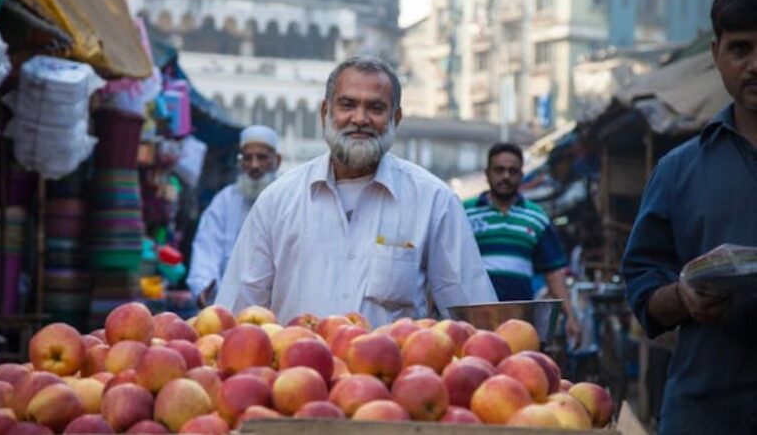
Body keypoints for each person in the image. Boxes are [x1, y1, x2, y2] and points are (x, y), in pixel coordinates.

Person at [215, 55, 497, 326]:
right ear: (326, 112)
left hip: (393, 375)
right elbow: (238, 312)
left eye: (375, 108)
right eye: (347, 104)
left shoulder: (434, 202)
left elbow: (474, 321)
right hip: (296, 373)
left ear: (395, 118)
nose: (360, 118)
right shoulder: (278, 201)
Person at [621, 0, 757, 434]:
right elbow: (642, 290)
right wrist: (683, 296)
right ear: (716, 55)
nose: (755, 64)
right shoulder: (679, 170)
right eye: (741, 48)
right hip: (705, 411)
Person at [464, 143, 581, 345]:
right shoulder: (464, 212)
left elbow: (553, 272)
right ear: (487, 173)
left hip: (520, 322)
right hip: (474, 320)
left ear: (521, 175)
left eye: (513, 171)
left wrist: (570, 317)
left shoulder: (536, 217)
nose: (506, 176)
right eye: (499, 170)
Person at [186, 125, 281, 308]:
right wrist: (204, 286)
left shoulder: (288, 200)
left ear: (276, 160)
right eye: (247, 158)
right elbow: (207, 248)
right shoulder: (224, 201)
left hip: (277, 309)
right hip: (227, 308)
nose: (254, 165)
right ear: (240, 162)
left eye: (261, 157)